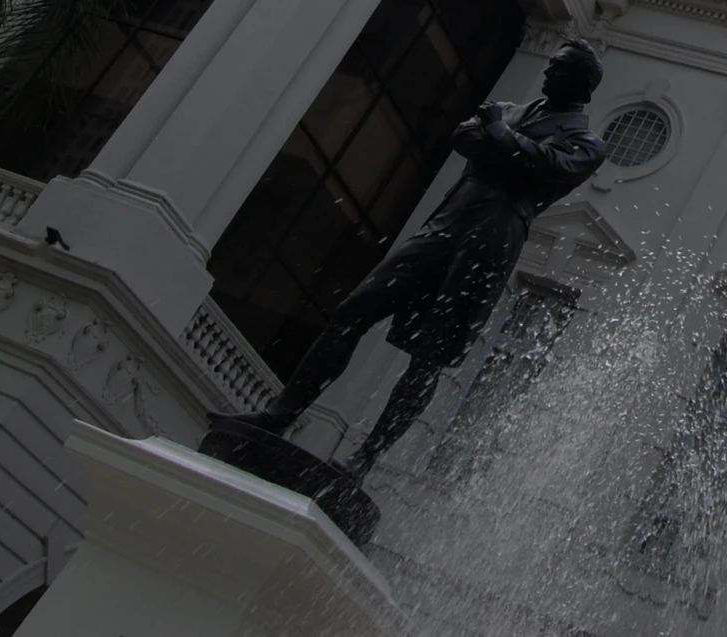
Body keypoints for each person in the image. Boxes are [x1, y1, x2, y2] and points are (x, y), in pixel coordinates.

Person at [213, 38, 607, 474]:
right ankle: (278, 415)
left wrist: (498, 134)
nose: (549, 72)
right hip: (448, 222)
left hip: (493, 237)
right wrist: (508, 146)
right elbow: (464, 136)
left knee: (429, 359)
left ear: (582, 83)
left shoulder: (585, 142)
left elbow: (548, 167)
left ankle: (365, 459)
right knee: (355, 308)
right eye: (549, 63)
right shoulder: (512, 111)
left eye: (560, 67)